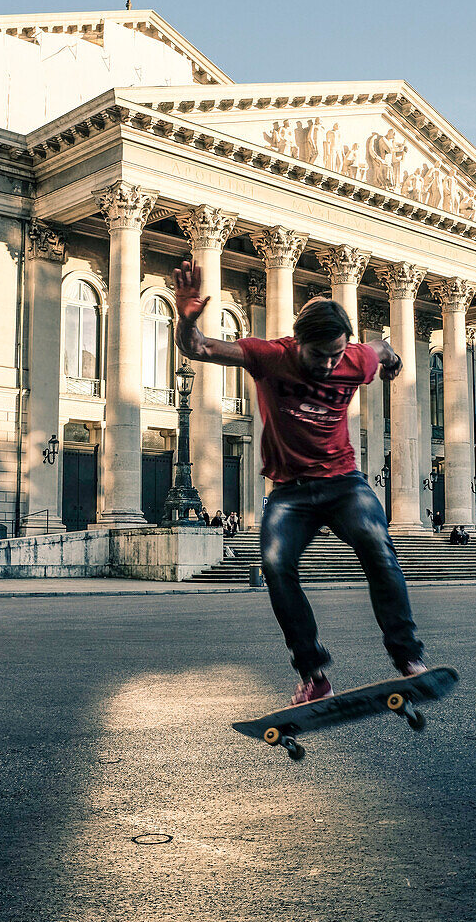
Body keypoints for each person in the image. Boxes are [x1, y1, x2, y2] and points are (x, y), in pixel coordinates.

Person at [173, 259, 426, 704]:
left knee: (378, 547)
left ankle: (407, 656)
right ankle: (313, 673)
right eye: (318, 355)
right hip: (290, 491)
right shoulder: (270, 356)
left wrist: (392, 360)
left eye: (336, 354)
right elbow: (199, 348)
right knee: (275, 566)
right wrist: (185, 318)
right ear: (297, 343)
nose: (329, 365)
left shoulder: (354, 358)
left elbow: (379, 347)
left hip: (344, 482)